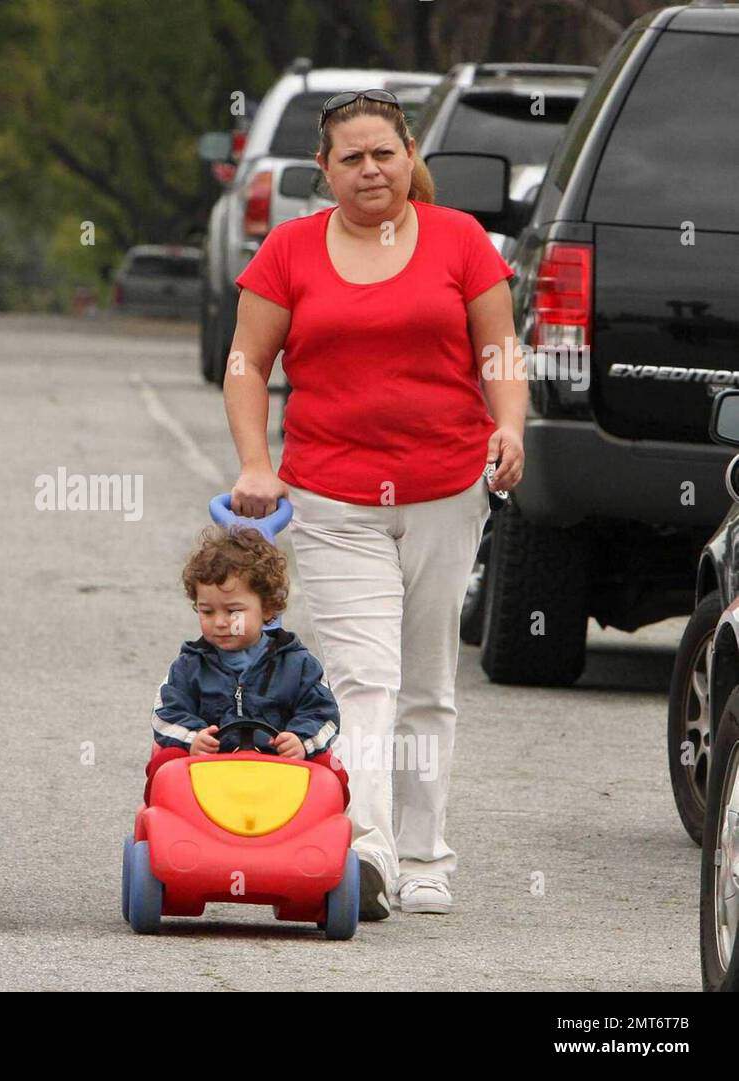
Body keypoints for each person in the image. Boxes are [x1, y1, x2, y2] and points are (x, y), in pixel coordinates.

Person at [224, 89, 526, 919]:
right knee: (364, 677)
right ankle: (369, 850)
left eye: (383, 154)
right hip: (332, 492)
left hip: (446, 488)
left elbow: (498, 347)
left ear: (409, 155)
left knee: (427, 680)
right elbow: (248, 362)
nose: (369, 170)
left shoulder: (461, 241)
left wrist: (510, 426)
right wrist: (257, 462)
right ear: (323, 170)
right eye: (350, 157)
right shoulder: (289, 251)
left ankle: (429, 854)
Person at [146, 525, 348, 805]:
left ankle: (320, 832)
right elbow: (165, 714)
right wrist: (193, 738)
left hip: (280, 769)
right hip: (209, 771)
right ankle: (170, 826)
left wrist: (300, 740)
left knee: (331, 769)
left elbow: (324, 714)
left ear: (267, 609)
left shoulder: (298, 664)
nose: (219, 622)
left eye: (233, 611)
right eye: (207, 611)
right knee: (166, 763)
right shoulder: (189, 665)